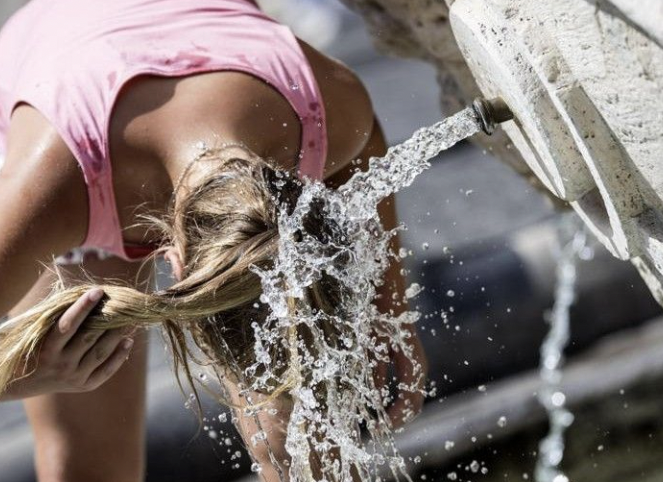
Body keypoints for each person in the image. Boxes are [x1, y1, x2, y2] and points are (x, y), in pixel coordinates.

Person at [0, 1, 427, 481]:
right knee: (89, 464)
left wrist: (387, 311)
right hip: (68, 88)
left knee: (301, 436)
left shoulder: (323, 112)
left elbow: (366, 151)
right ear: (178, 270)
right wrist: (15, 377)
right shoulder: (44, 195)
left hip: (201, 61)